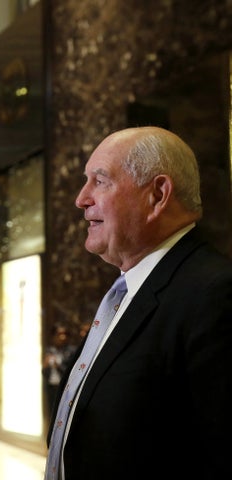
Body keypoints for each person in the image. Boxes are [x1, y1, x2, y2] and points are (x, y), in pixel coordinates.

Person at [45, 127, 232, 480]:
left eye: (100, 181)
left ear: (158, 194)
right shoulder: (128, 290)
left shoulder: (215, 294)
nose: (81, 199)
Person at [41, 324, 75, 419]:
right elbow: (45, 372)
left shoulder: (71, 351)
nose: (62, 337)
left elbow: (71, 372)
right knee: (52, 414)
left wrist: (58, 366)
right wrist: (45, 366)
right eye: (59, 334)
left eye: (65, 334)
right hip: (52, 387)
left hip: (65, 388)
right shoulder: (50, 350)